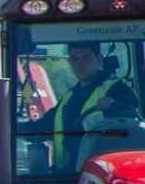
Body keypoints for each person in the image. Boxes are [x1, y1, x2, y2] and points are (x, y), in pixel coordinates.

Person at [38, 41, 140, 172]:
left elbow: (128, 117)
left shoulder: (116, 89)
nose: (80, 64)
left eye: (86, 58)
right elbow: (44, 125)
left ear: (99, 59)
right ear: (69, 61)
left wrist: (112, 107)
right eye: (75, 59)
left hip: (103, 174)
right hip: (68, 176)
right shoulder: (69, 98)